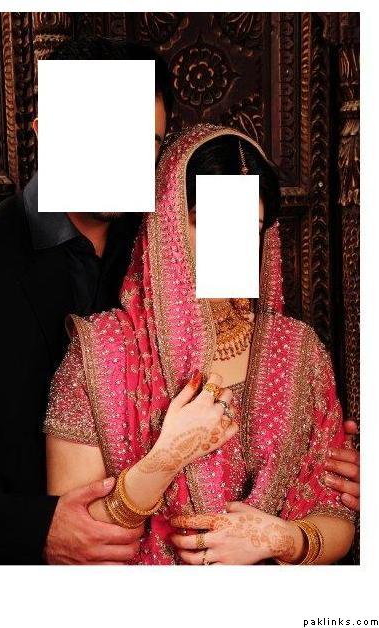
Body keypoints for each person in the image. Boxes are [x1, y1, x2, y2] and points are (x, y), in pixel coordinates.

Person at [44, 124, 357, 565]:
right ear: (168, 223)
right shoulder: (101, 351)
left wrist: (279, 538)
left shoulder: (298, 350)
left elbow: (337, 513)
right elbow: (73, 544)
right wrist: (167, 456)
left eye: (249, 226)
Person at [0, 37, 171, 565]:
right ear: (45, 131)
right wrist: (31, 530)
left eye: (145, 141)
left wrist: (313, 455)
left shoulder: (172, 252)